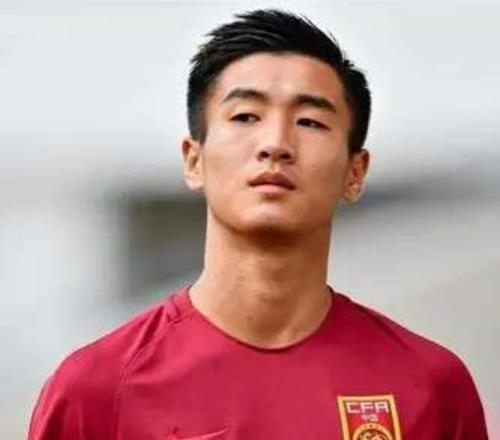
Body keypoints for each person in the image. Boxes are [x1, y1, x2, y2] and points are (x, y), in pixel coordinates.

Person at [28, 9, 489, 440]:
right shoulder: (97, 389)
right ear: (194, 160)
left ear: (355, 172)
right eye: (245, 116)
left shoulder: (429, 385)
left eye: (310, 121)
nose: (275, 143)